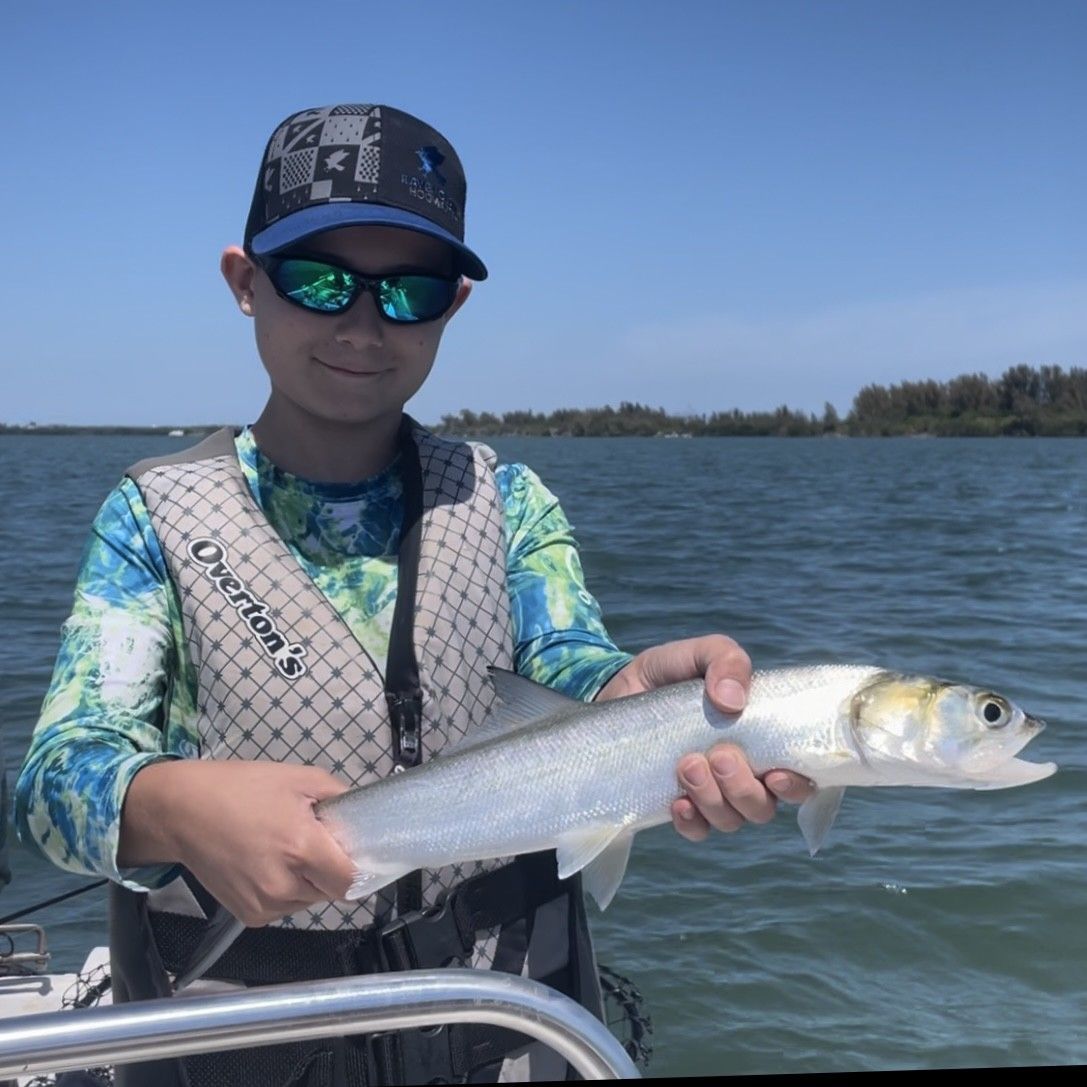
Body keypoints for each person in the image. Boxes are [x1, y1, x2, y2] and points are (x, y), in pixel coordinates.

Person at [15, 104, 813, 1086]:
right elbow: (54, 781)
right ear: (244, 282)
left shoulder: (508, 500)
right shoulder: (150, 518)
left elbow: (570, 664)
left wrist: (634, 706)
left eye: (410, 292)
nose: (362, 324)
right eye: (318, 280)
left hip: (501, 1011)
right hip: (244, 1033)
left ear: (452, 306)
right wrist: (173, 805)